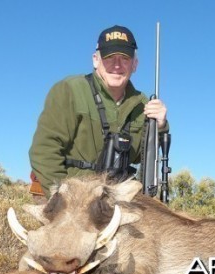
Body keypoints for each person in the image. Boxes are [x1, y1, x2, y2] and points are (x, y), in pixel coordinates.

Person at [29, 25, 169, 199]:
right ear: (96, 60)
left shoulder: (144, 105)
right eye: (109, 57)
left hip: (113, 199)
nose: (117, 65)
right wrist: (64, 200)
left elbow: (140, 158)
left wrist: (160, 126)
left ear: (135, 64)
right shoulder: (69, 90)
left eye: (124, 58)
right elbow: (44, 151)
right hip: (70, 196)